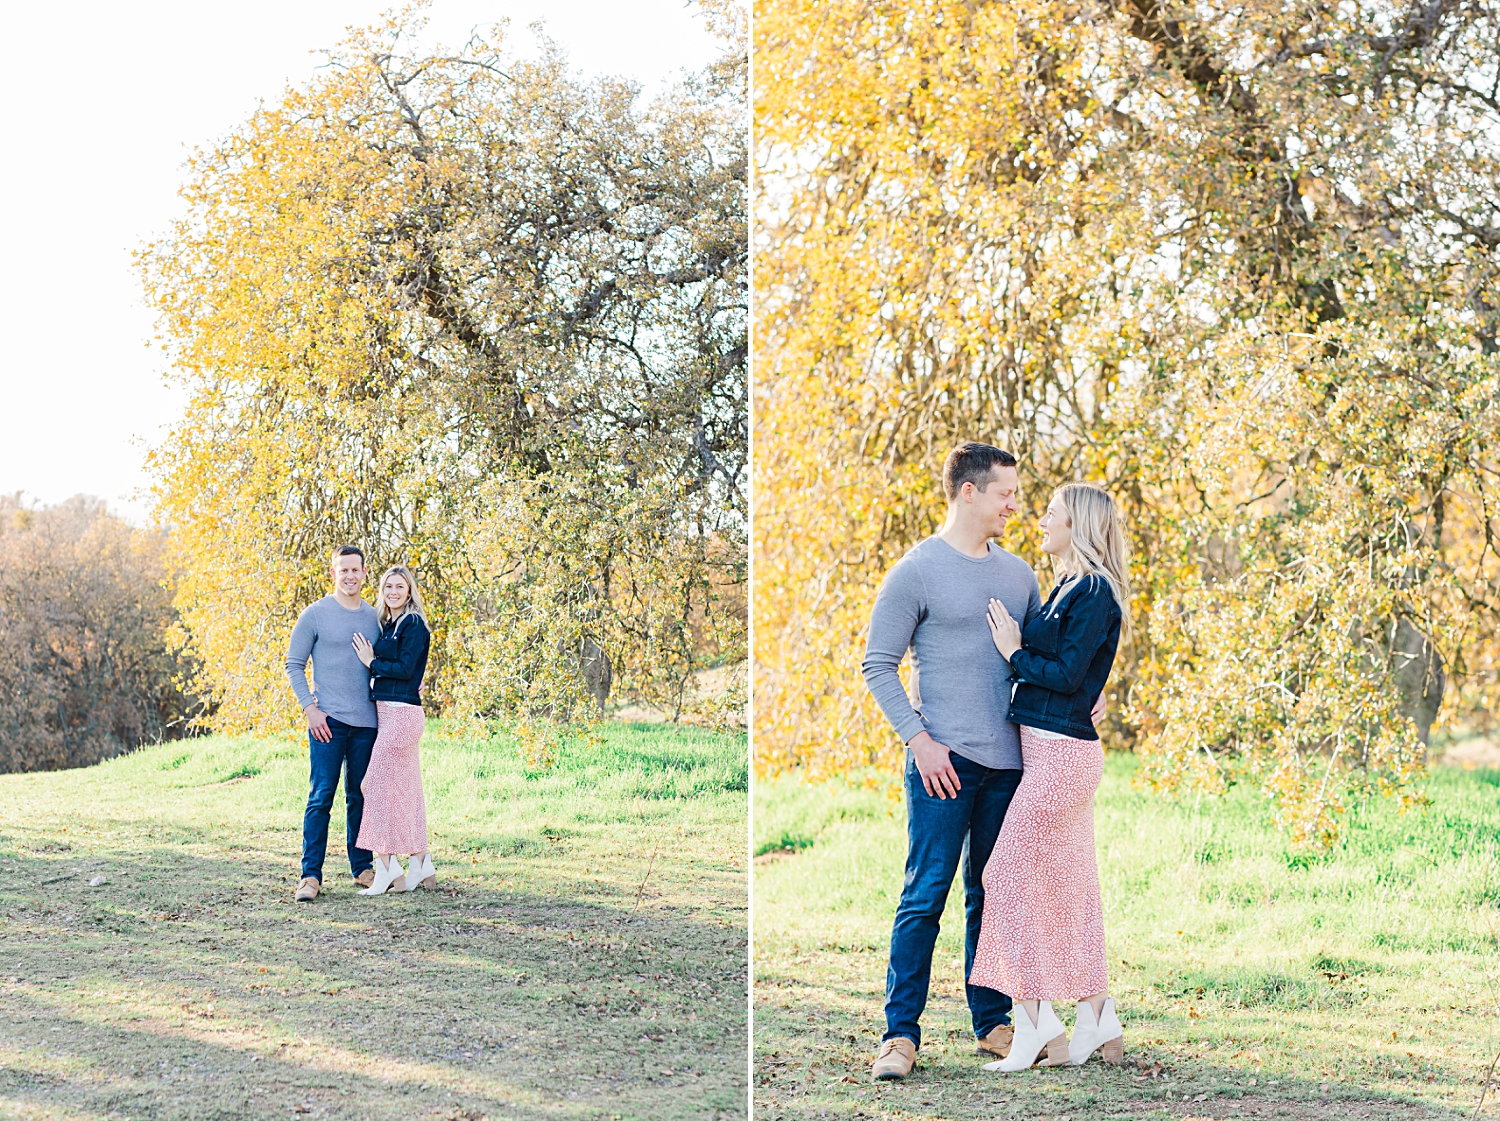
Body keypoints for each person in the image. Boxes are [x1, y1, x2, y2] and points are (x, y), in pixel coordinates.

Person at [860, 442, 1045, 1082]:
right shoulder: (916, 571)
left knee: (990, 897)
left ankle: (992, 1023)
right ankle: (899, 1036)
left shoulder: (1020, 576)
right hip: (941, 762)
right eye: (1005, 493)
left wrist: (1085, 700)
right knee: (925, 895)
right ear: (968, 491)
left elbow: (1042, 661)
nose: (1013, 505)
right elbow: (877, 665)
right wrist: (918, 739)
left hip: (1008, 765)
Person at [969, 482, 1130, 1071]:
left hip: (1062, 759)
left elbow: (1065, 674)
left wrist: (1013, 652)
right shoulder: (1067, 586)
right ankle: (1096, 1017)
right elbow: (1079, 672)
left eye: (1051, 514)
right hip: (1048, 751)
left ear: (1077, 526)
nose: (1040, 520)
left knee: (1004, 874)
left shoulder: (1093, 592)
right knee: (1070, 889)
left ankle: (1036, 1024)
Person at [286, 546, 382, 902]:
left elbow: (390, 662)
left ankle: (362, 867)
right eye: (343, 571)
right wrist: (310, 709)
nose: (350, 576)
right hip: (327, 722)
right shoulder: (315, 614)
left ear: (365, 572)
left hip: (367, 723)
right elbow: (294, 664)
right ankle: (310, 876)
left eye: (355, 570)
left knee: (360, 796)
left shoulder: (376, 617)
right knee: (321, 796)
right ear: (334, 573)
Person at [351, 565, 435, 895]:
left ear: (410, 591)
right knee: (404, 791)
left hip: (401, 717)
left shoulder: (412, 623)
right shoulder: (391, 624)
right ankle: (420, 862)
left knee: (373, 784)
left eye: (400, 587)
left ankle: (386, 868)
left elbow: (405, 668)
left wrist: (372, 662)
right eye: (388, 587)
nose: (393, 592)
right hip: (390, 714)